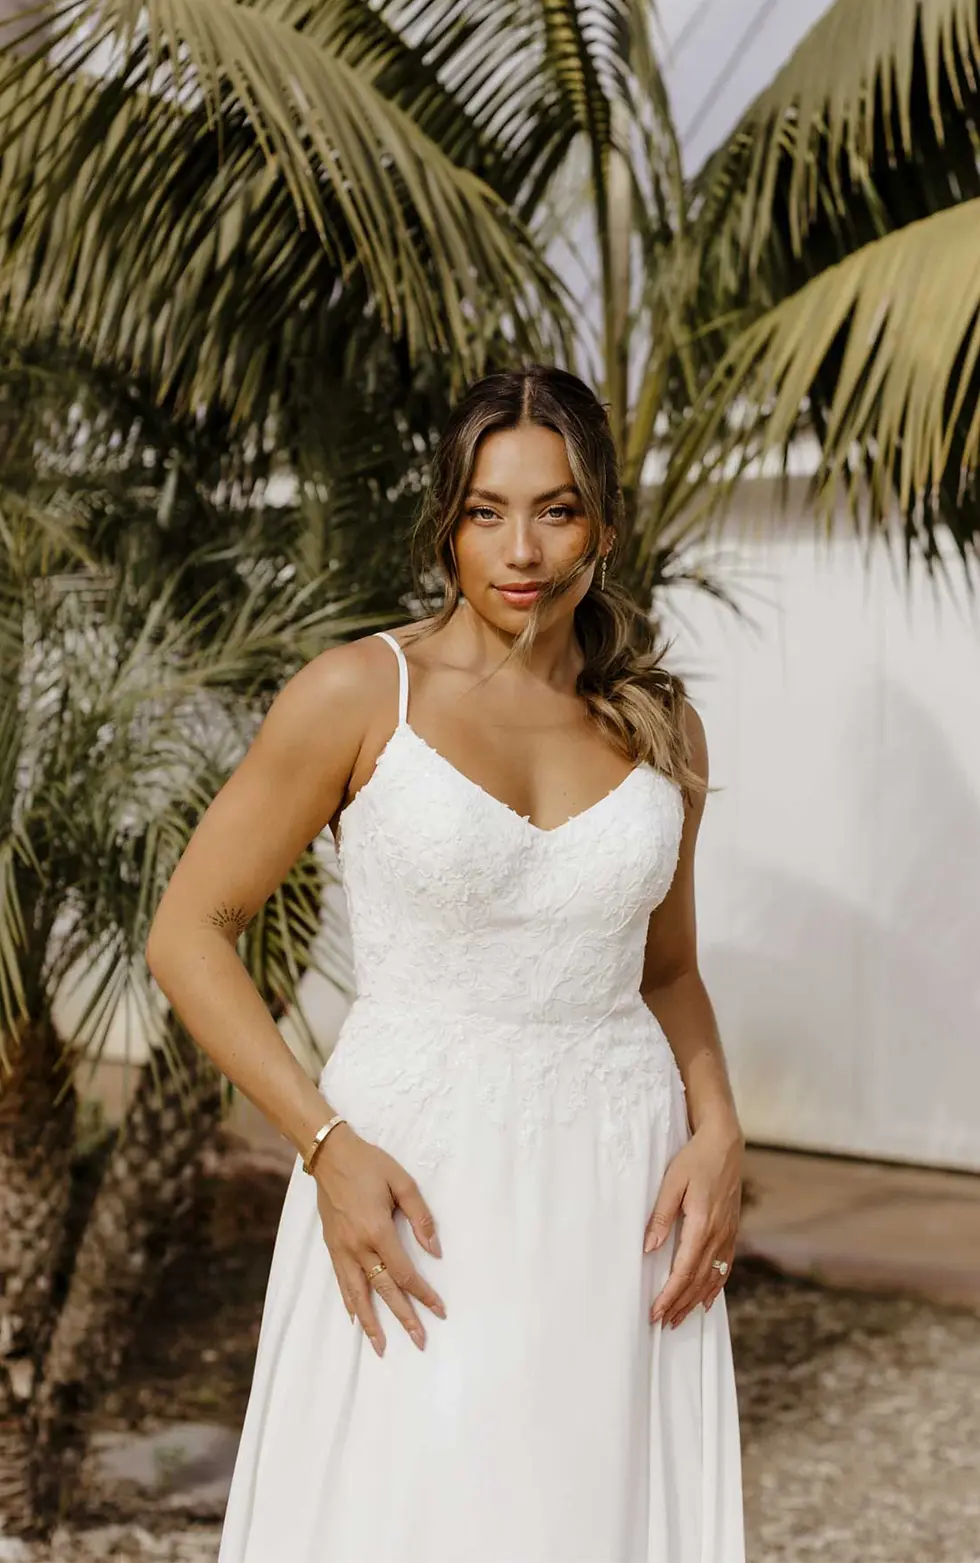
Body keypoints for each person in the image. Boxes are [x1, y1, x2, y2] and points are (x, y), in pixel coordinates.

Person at [146, 364, 746, 1562]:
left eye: (555, 509)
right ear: (445, 526)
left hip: (619, 1185)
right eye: (485, 511)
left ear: (602, 527)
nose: (519, 549)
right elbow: (187, 932)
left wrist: (720, 1130)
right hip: (412, 1174)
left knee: (585, 1510)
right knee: (413, 1505)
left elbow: (666, 969)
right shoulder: (357, 693)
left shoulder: (660, 724)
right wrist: (324, 1147)